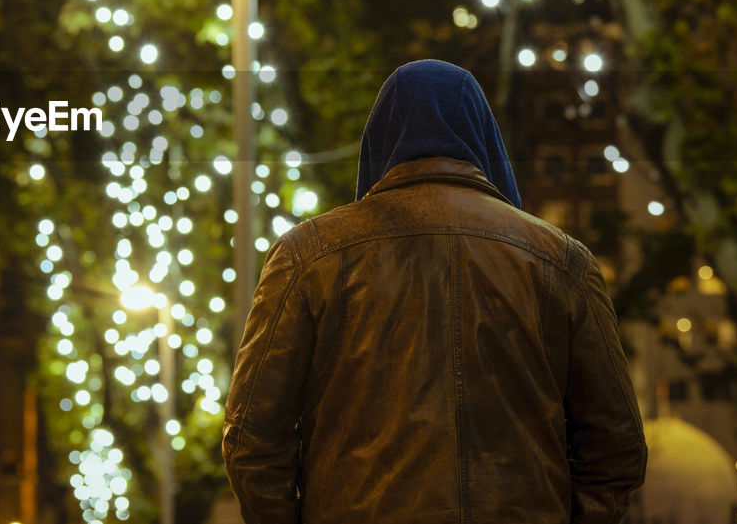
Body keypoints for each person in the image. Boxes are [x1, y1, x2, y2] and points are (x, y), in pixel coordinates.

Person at [222, 59, 647, 523]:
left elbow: (251, 441)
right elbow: (616, 445)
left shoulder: (309, 256)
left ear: (379, 141)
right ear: (484, 140)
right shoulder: (562, 261)